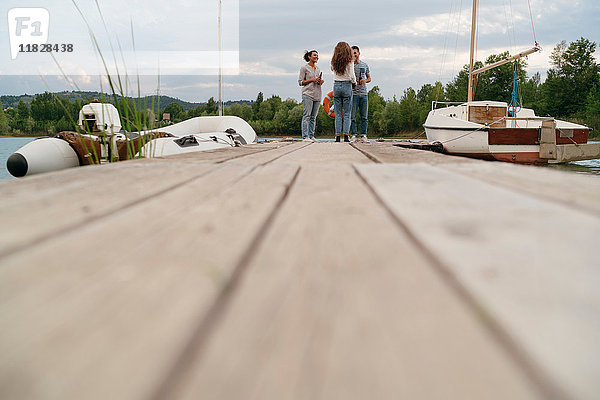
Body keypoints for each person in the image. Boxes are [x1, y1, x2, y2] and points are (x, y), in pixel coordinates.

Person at [331, 42, 356, 142]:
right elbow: (352, 74)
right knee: (346, 113)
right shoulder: (350, 61)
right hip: (346, 85)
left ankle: (337, 136)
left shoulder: (333, 62)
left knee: (337, 113)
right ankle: (346, 136)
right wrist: (354, 83)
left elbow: (333, 70)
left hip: (336, 85)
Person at [298, 50, 324, 141]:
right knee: (307, 116)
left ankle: (311, 136)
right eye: (314, 55)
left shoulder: (318, 69)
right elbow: (300, 82)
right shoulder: (304, 68)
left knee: (313, 117)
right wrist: (312, 79)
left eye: (317, 55)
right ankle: (305, 137)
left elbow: (317, 81)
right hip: (307, 94)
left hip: (317, 94)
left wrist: (320, 81)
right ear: (309, 57)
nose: (316, 57)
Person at [350, 46, 371, 143]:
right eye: (352, 53)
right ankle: (353, 135)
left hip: (363, 93)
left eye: (355, 53)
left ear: (359, 53)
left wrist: (365, 80)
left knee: (364, 116)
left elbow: (369, 79)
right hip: (353, 94)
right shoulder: (349, 66)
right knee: (352, 116)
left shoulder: (364, 65)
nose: (354, 55)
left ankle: (363, 135)